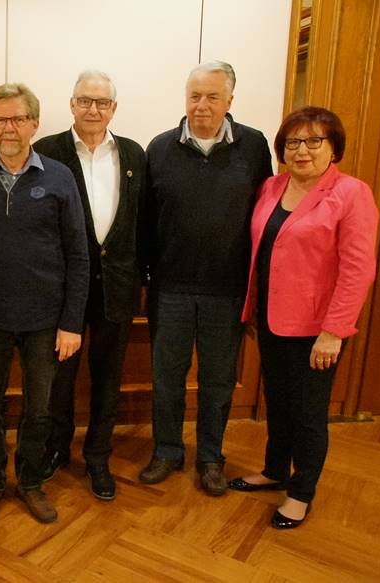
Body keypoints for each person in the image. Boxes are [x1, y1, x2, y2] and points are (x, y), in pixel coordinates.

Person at [229, 106, 378, 528]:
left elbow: (358, 269)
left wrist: (334, 331)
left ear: (333, 148)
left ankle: (301, 492)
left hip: (318, 329)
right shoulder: (273, 186)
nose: (302, 150)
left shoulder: (351, 194)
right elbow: (264, 252)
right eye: (293, 142)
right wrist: (253, 306)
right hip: (273, 320)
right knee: (278, 402)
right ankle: (275, 470)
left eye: (314, 141)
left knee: (309, 413)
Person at [0, 83, 89, 525]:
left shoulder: (60, 178)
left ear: (34, 123)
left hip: (46, 322)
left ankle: (30, 482)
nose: (9, 128)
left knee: (39, 409)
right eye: (0, 120)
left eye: (18, 119)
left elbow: (78, 256)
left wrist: (72, 323)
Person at [141, 61, 273, 496]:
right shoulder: (159, 148)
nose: (201, 105)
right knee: (167, 378)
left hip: (227, 291)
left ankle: (211, 457)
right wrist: (146, 280)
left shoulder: (254, 146)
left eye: (212, 97)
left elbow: (264, 214)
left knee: (218, 381)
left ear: (230, 100)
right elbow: (145, 221)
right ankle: (167, 450)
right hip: (170, 289)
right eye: (194, 95)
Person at [33, 71, 146, 501]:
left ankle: (98, 456)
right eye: (85, 101)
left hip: (118, 285)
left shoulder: (134, 153)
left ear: (113, 108)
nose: (93, 109)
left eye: (101, 102)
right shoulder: (47, 152)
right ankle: (56, 448)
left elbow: (142, 220)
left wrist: (143, 276)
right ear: (72, 104)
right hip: (61, 287)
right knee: (59, 376)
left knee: (108, 377)